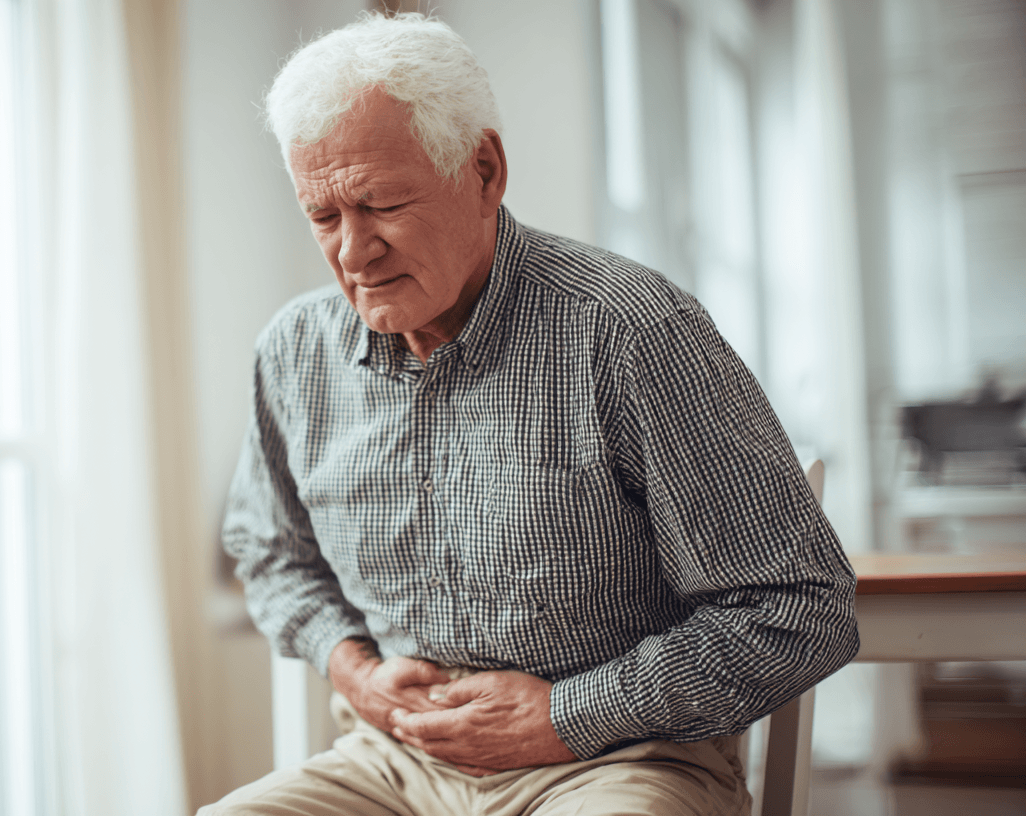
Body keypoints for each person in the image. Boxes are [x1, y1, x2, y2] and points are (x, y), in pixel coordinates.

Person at [207, 13, 858, 816]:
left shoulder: (630, 331)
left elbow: (802, 606)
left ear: (484, 171)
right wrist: (352, 669)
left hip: (619, 761)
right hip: (392, 765)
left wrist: (564, 715)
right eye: (323, 216)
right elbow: (269, 555)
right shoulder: (293, 353)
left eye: (380, 204)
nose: (352, 251)